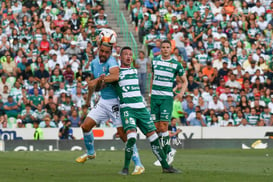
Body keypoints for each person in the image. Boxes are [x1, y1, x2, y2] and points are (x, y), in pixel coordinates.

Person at [75, 32, 144, 175]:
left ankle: (139, 164)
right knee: (85, 126)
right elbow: (95, 86)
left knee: (123, 134)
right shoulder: (94, 63)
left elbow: (115, 75)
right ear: (98, 49)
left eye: (107, 52)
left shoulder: (112, 62)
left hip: (116, 103)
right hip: (102, 101)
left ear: (110, 53)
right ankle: (91, 152)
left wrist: (99, 80)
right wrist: (88, 101)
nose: (104, 54)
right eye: (102, 51)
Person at [115, 47, 180, 175]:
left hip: (142, 108)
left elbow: (154, 70)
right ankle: (125, 168)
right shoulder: (116, 73)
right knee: (131, 136)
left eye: (130, 54)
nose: (128, 56)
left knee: (154, 137)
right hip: (128, 108)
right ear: (120, 58)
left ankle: (166, 167)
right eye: (125, 55)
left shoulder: (135, 70)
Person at [150, 40, 188, 166]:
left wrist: (181, 93)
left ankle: (165, 154)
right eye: (163, 47)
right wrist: (150, 93)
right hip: (155, 97)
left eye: (167, 47)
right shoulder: (154, 61)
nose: (165, 49)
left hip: (166, 98)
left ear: (171, 49)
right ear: (160, 49)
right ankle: (169, 151)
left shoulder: (176, 64)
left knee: (163, 126)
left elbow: (185, 81)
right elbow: (153, 77)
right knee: (156, 129)